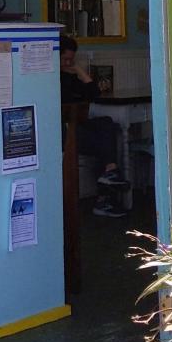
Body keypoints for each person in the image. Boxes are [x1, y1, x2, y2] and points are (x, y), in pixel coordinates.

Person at [59, 35, 129, 217]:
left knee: (106, 123)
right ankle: (107, 188)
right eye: (64, 59)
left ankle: (110, 171)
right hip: (62, 132)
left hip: (75, 126)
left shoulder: (69, 78)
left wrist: (79, 71)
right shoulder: (51, 80)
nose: (67, 63)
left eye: (70, 59)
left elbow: (94, 93)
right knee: (103, 142)